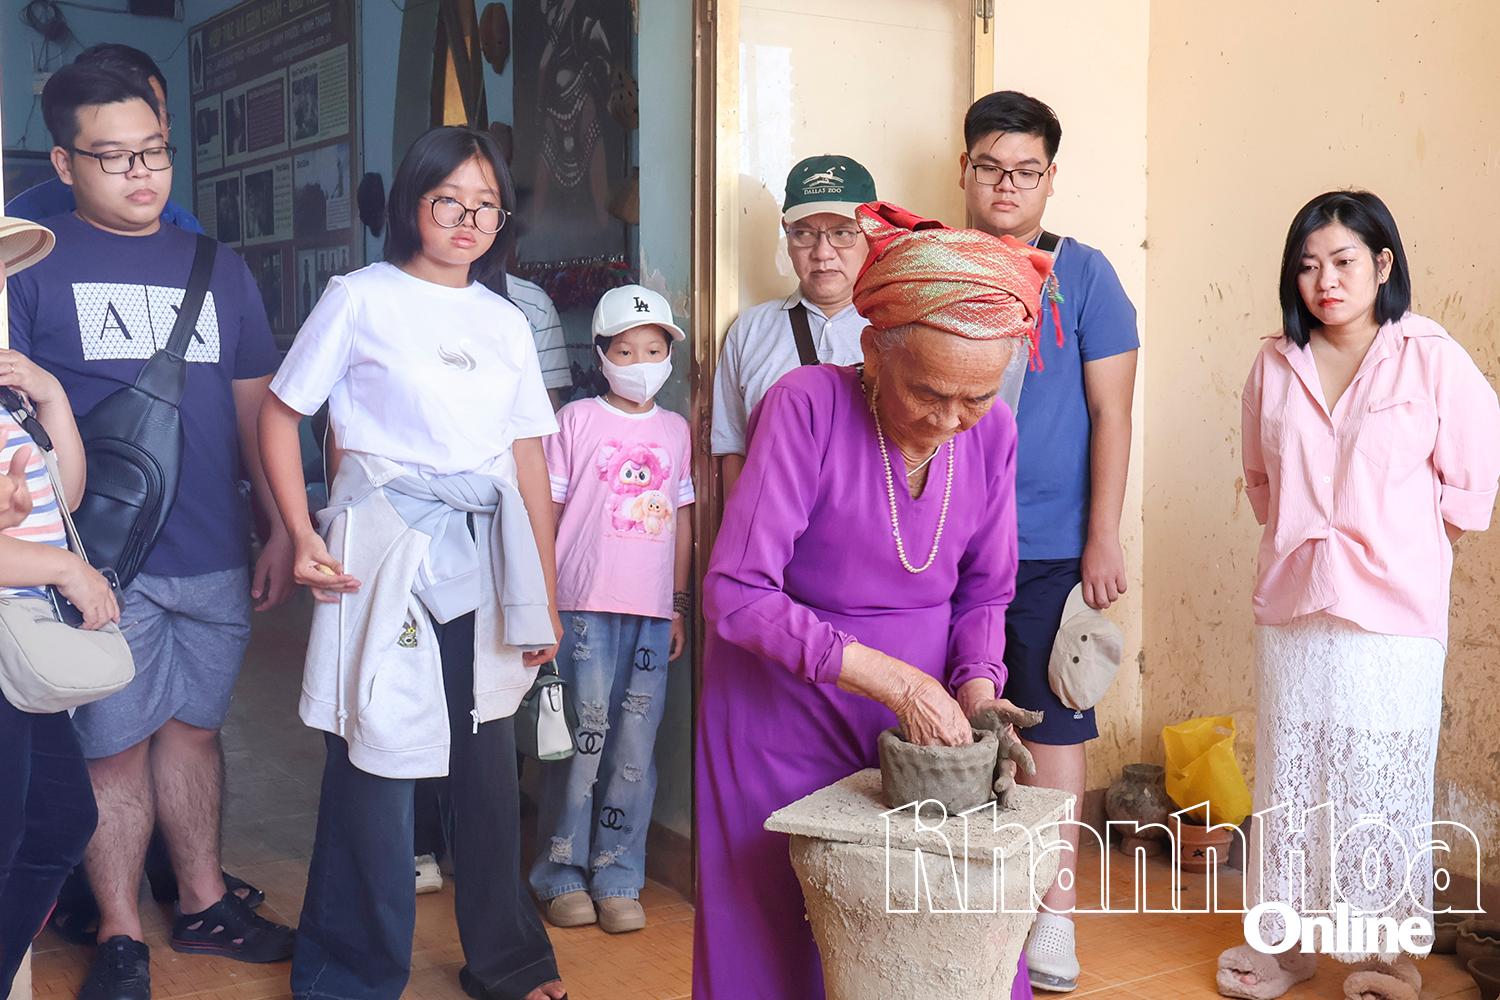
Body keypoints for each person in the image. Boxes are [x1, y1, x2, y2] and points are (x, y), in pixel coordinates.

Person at [694, 201, 1053, 1000]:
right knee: (783, 941)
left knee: (939, 937)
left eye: (977, 399)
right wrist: (898, 683)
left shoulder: (990, 437)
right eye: (929, 393)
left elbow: (986, 591)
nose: (952, 420)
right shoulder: (805, 405)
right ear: (873, 350)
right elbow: (736, 593)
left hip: (920, 725)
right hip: (781, 712)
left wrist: (977, 693)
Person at [258, 125, 568, 1000]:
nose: (469, 220)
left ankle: (508, 960)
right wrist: (301, 532)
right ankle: (348, 972)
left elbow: (528, 463)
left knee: (483, 765)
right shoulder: (360, 297)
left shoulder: (505, 321)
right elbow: (281, 415)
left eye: (486, 206)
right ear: (412, 205)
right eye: (449, 202)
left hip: (480, 553)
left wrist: (539, 594)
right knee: (371, 761)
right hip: (383, 548)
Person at [6, 63, 296, 1000]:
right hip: (97, 561)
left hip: (214, 550)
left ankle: (205, 903)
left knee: (195, 733)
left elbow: (257, 410)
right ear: (65, 159)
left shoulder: (219, 266)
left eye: (155, 152)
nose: (143, 173)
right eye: (115, 156)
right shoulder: (33, 268)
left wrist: (283, 526)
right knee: (113, 746)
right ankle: (123, 930)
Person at [1220, 191, 1500, 1000]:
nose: (1324, 281)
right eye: (1307, 266)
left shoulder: (1431, 357)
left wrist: (1411, 545)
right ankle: (1287, 945)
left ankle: (1387, 959)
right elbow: (1261, 480)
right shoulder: (1274, 362)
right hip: (1295, 604)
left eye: (1343, 261)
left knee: (1380, 776)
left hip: (1396, 613)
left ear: (1382, 265)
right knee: (1292, 772)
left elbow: (1471, 480)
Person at [956, 90, 1139, 993]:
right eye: (990, 167)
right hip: (943, 544)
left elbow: (1113, 412)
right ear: (965, 170)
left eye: (1026, 171)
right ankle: (956, 898)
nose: (1007, 186)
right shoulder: (934, 263)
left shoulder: (1090, 275)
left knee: (1056, 725)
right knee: (947, 718)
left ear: (1049, 178)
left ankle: (1053, 915)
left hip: (1052, 550)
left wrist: (1102, 537)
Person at [529, 284, 694, 934]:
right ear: (601, 354)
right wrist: (541, 598)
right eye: (627, 349)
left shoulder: (675, 430)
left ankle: (619, 872)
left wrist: (676, 605)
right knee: (581, 742)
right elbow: (552, 511)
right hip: (583, 608)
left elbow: (682, 520)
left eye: (654, 348)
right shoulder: (575, 422)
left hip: (650, 613)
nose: (642, 361)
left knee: (634, 747)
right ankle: (559, 870)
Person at [0, 219, 114, 996]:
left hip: (24, 645)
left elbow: (63, 498)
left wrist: (54, 396)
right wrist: (61, 568)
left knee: (55, 825)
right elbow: (51, 542)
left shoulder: (10, 396)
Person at [710, 155, 876, 497]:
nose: (823, 253)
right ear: (787, 237)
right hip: (778, 541)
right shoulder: (751, 331)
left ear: (872, 235)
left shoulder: (897, 330)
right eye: (805, 234)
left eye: (842, 233)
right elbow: (733, 451)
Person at [5, 44, 203, 234]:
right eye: (113, 154)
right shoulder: (25, 223)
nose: (139, 169)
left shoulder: (184, 227)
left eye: (153, 110)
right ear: (64, 163)